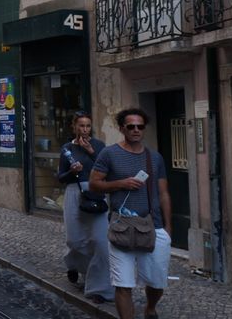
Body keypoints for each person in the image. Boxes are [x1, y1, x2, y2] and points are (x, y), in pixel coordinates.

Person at [90, 108, 172, 319]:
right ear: (122, 128)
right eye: (131, 126)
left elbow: (163, 193)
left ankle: (151, 307)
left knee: (156, 280)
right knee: (123, 284)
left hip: (153, 226)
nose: (136, 130)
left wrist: (168, 228)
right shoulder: (109, 153)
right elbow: (94, 185)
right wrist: (120, 184)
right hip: (121, 226)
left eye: (140, 126)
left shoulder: (154, 157)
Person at [57, 111, 114, 304]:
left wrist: (91, 152)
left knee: (100, 242)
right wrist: (71, 173)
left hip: (96, 192)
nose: (84, 129)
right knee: (75, 240)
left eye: (88, 125)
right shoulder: (66, 149)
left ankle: (100, 289)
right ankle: (74, 264)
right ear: (74, 127)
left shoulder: (99, 146)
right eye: (81, 126)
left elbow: (108, 168)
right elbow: (60, 177)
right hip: (75, 192)